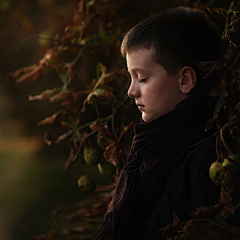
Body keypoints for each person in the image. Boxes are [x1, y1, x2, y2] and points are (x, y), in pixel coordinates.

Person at [92, 6, 223, 240]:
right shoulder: (147, 152)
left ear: (185, 80)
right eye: (131, 78)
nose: (131, 91)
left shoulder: (208, 159)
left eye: (142, 78)